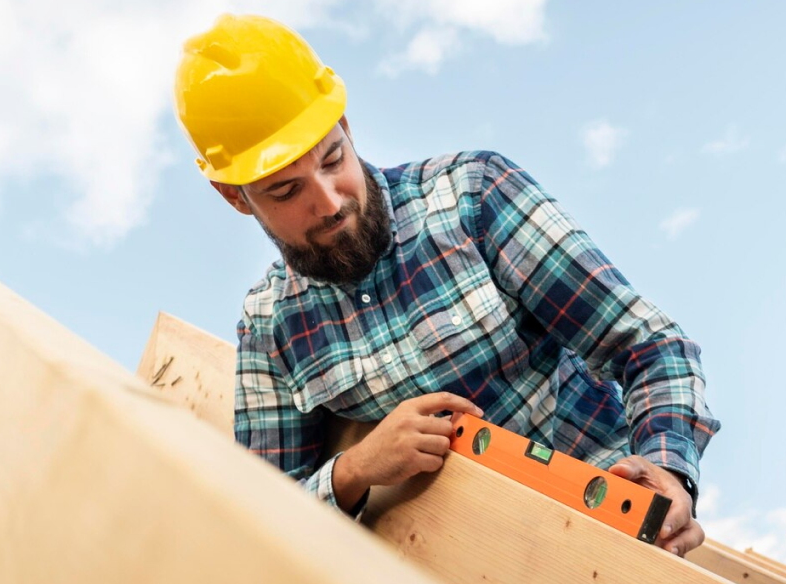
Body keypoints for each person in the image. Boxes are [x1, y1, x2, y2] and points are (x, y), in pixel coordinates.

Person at [173, 14, 720, 557]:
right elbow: (263, 514)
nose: (331, 201)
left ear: (347, 125)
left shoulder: (473, 197)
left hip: (609, 537)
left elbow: (647, 344)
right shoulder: (272, 328)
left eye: (333, 158)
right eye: (287, 191)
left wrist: (670, 475)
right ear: (235, 197)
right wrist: (354, 470)